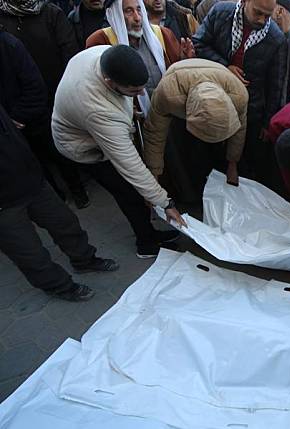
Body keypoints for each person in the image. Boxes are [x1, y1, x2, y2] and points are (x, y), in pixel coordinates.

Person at [52, 45, 186, 258]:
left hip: (88, 124)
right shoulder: (97, 111)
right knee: (129, 192)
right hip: (83, 148)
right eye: (134, 91)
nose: (141, 94)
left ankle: (150, 233)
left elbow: (117, 98)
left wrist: (127, 106)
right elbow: (130, 165)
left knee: (135, 190)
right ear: (109, 83)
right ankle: (146, 244)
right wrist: (166, 203)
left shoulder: (105, 54)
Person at [0, 102, 117, 302]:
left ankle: (85, 260)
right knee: (30, 253)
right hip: (4, 206)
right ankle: (60, 286)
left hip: (32, 181)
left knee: (66, 224)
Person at [0, 0, 90, 209]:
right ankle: (55, 196)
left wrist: (68, 88)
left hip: (55, 93)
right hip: (18, 103)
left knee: (57, 147)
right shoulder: (3, 18)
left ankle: (77, 189)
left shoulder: (50, 13)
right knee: (34, 154)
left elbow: (69, 52)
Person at [193, 0, 287, 184]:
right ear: (244, 2)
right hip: (212, 101)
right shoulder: (220, 13)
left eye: (267, 15)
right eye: (258, 12)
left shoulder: (276, 38)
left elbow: (275, 84)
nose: (261, 20)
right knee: (211, 157)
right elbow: (199, 43)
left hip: (251, 110)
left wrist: (268, 122)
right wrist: (225, 67)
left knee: (243, 166)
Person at [143, 58, 248, 189]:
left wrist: (233, 164)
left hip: (218, 75)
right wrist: (153, 178)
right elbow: (155, 134)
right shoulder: (167, 95)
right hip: (179, 86)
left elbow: (240, 131)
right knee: (188, 153)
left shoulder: (239, 95)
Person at [86, 0, 194, 106]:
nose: (137, 18)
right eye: (129, 11)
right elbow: (99, 88)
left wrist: (184, 60)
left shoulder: (163, 34)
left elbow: (177, 78)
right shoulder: (100, 41)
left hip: (167, 112)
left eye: (139, 9)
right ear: (115, 15)